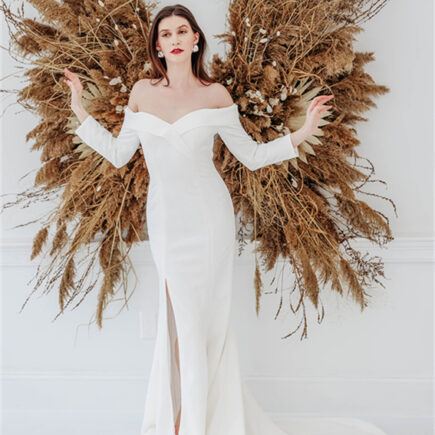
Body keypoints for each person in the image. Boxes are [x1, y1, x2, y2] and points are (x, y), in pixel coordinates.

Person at [64, 4, 335, 435]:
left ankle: (199, 422)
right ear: (158, 44)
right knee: (180, 320)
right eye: (166, 32)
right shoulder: (141, 92)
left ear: (194, 40)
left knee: (205, 322)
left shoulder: (216, 95)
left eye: (182, 31)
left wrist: (302, 132)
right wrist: (80, 108)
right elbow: (118, 155)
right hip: (168, 219)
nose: (174, 38)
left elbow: (251, 155)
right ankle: (182, 419)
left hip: (210, 220)